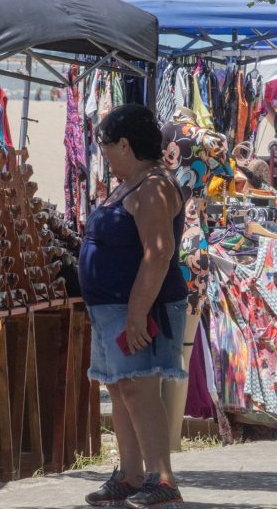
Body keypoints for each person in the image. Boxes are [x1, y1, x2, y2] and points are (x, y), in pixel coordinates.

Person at [79, 104, 188, 508]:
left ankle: (162, 479)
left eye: (106, 145)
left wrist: (137, 312)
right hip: (113, 308)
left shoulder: (155, 187)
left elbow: (158, 253)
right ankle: (129, 474)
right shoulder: (132, 182)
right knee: (121, 387)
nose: (103, 153)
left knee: (140, 387)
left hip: (139, 308)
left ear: (126, 144)